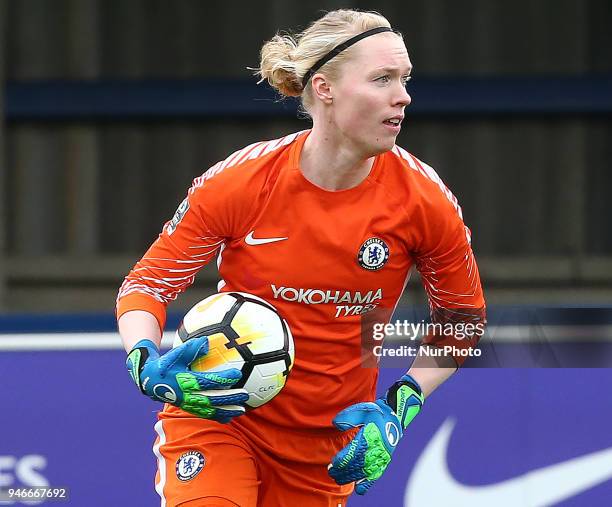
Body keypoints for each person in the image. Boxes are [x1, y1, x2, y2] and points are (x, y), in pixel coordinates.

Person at [117, 8, 486, 507]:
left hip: (325, 448)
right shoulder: (242, 182)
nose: (404, 95)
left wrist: (401, 406)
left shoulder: (424, 201)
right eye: (382, 79)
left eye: (405, 79)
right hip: (217, 419)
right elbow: (148, 285)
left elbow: (462, 322)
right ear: (324, 88)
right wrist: (144, 359)